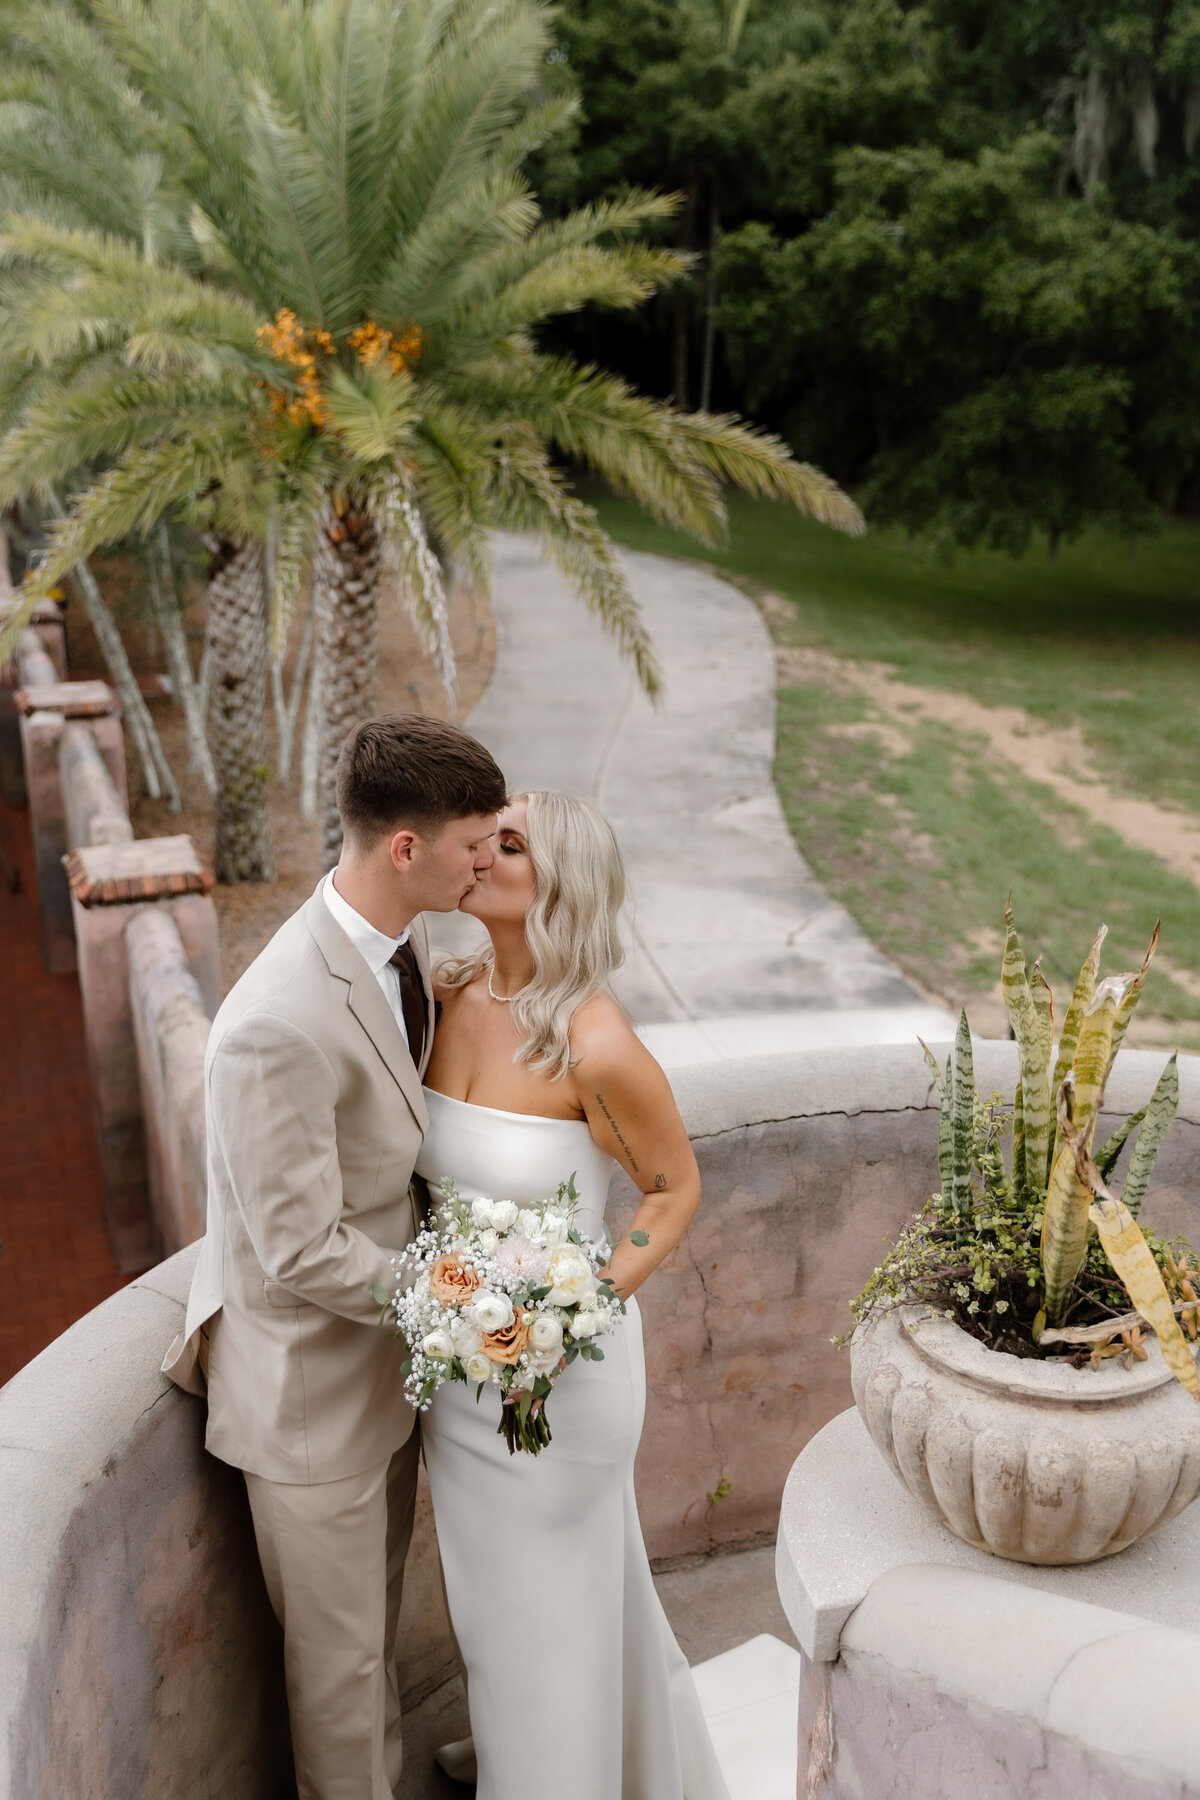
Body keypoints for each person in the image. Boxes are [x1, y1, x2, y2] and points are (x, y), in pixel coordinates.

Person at [162, 714, 508, 1800]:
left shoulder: (400, 953)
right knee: (342, 1676)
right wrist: (472, 1307)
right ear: (405, 849)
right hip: (310, 1408)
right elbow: (302, 1248)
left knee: (369, 1661)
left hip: (375, 1377)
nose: (489, 862)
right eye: (474, 843)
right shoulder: (274, 1022)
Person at [416, 789, 731, 1800]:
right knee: (500, 1612)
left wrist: (571, 1310)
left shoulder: (595, 1046)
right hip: (461, 1374)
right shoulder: (446, 993)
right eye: (484, 835)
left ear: (558, 887)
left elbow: (673, 1191)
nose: (480, 852)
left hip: (558, 1388)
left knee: (546, 1616)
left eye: (507, 844)